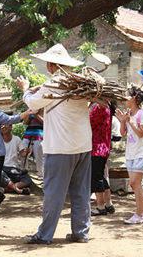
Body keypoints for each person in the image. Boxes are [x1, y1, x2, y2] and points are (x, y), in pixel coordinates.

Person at [16, 43, 92, 244]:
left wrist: (25, 89)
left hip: (60, 147)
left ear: (51, 65)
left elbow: (32, 104)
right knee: (81, 192)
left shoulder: (54, 84)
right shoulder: (81, 84)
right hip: (83, 145)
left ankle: (45, 234)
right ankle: (81, 232)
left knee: (53, 193)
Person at [115, 86, 143, 224]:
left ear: (133, 98)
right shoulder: (128, 113)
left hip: (142, 153)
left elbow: (141, 133)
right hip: (131, 153)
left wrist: (129, 121)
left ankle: (139, 214)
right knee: (135, 185)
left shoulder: (142, 114)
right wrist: (122, 121)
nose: (124, 98)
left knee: (134, 183)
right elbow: (123, 133)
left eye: (127, 95)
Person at [89, 101, 115, 216]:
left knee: (96, 177)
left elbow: (89, 122)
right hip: (104, 147)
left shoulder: (99, 107)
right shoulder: (107, 106)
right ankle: (108, 204)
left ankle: (100, 206)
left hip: (97, 147)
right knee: (102, 176)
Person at [0, 124, 32, 195]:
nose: (3, 126)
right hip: (3, 169)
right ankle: (18, 190)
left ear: (11, 127)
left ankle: (6, 189)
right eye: (1, 125)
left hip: (15, 170)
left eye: (5, 124)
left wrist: (27, 151)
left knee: (28, 180)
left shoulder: (16, 139)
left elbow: (22, 154)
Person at [21, 110, 44, 178]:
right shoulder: (30, 110)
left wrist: (36, 115)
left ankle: (40, 173)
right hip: (28, 132)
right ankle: (24, 171)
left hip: (39, 133)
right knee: (23, 151)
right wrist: (29, 114)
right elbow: (25, 122)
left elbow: (45, 122)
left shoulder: (43, 109)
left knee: (38, 153)